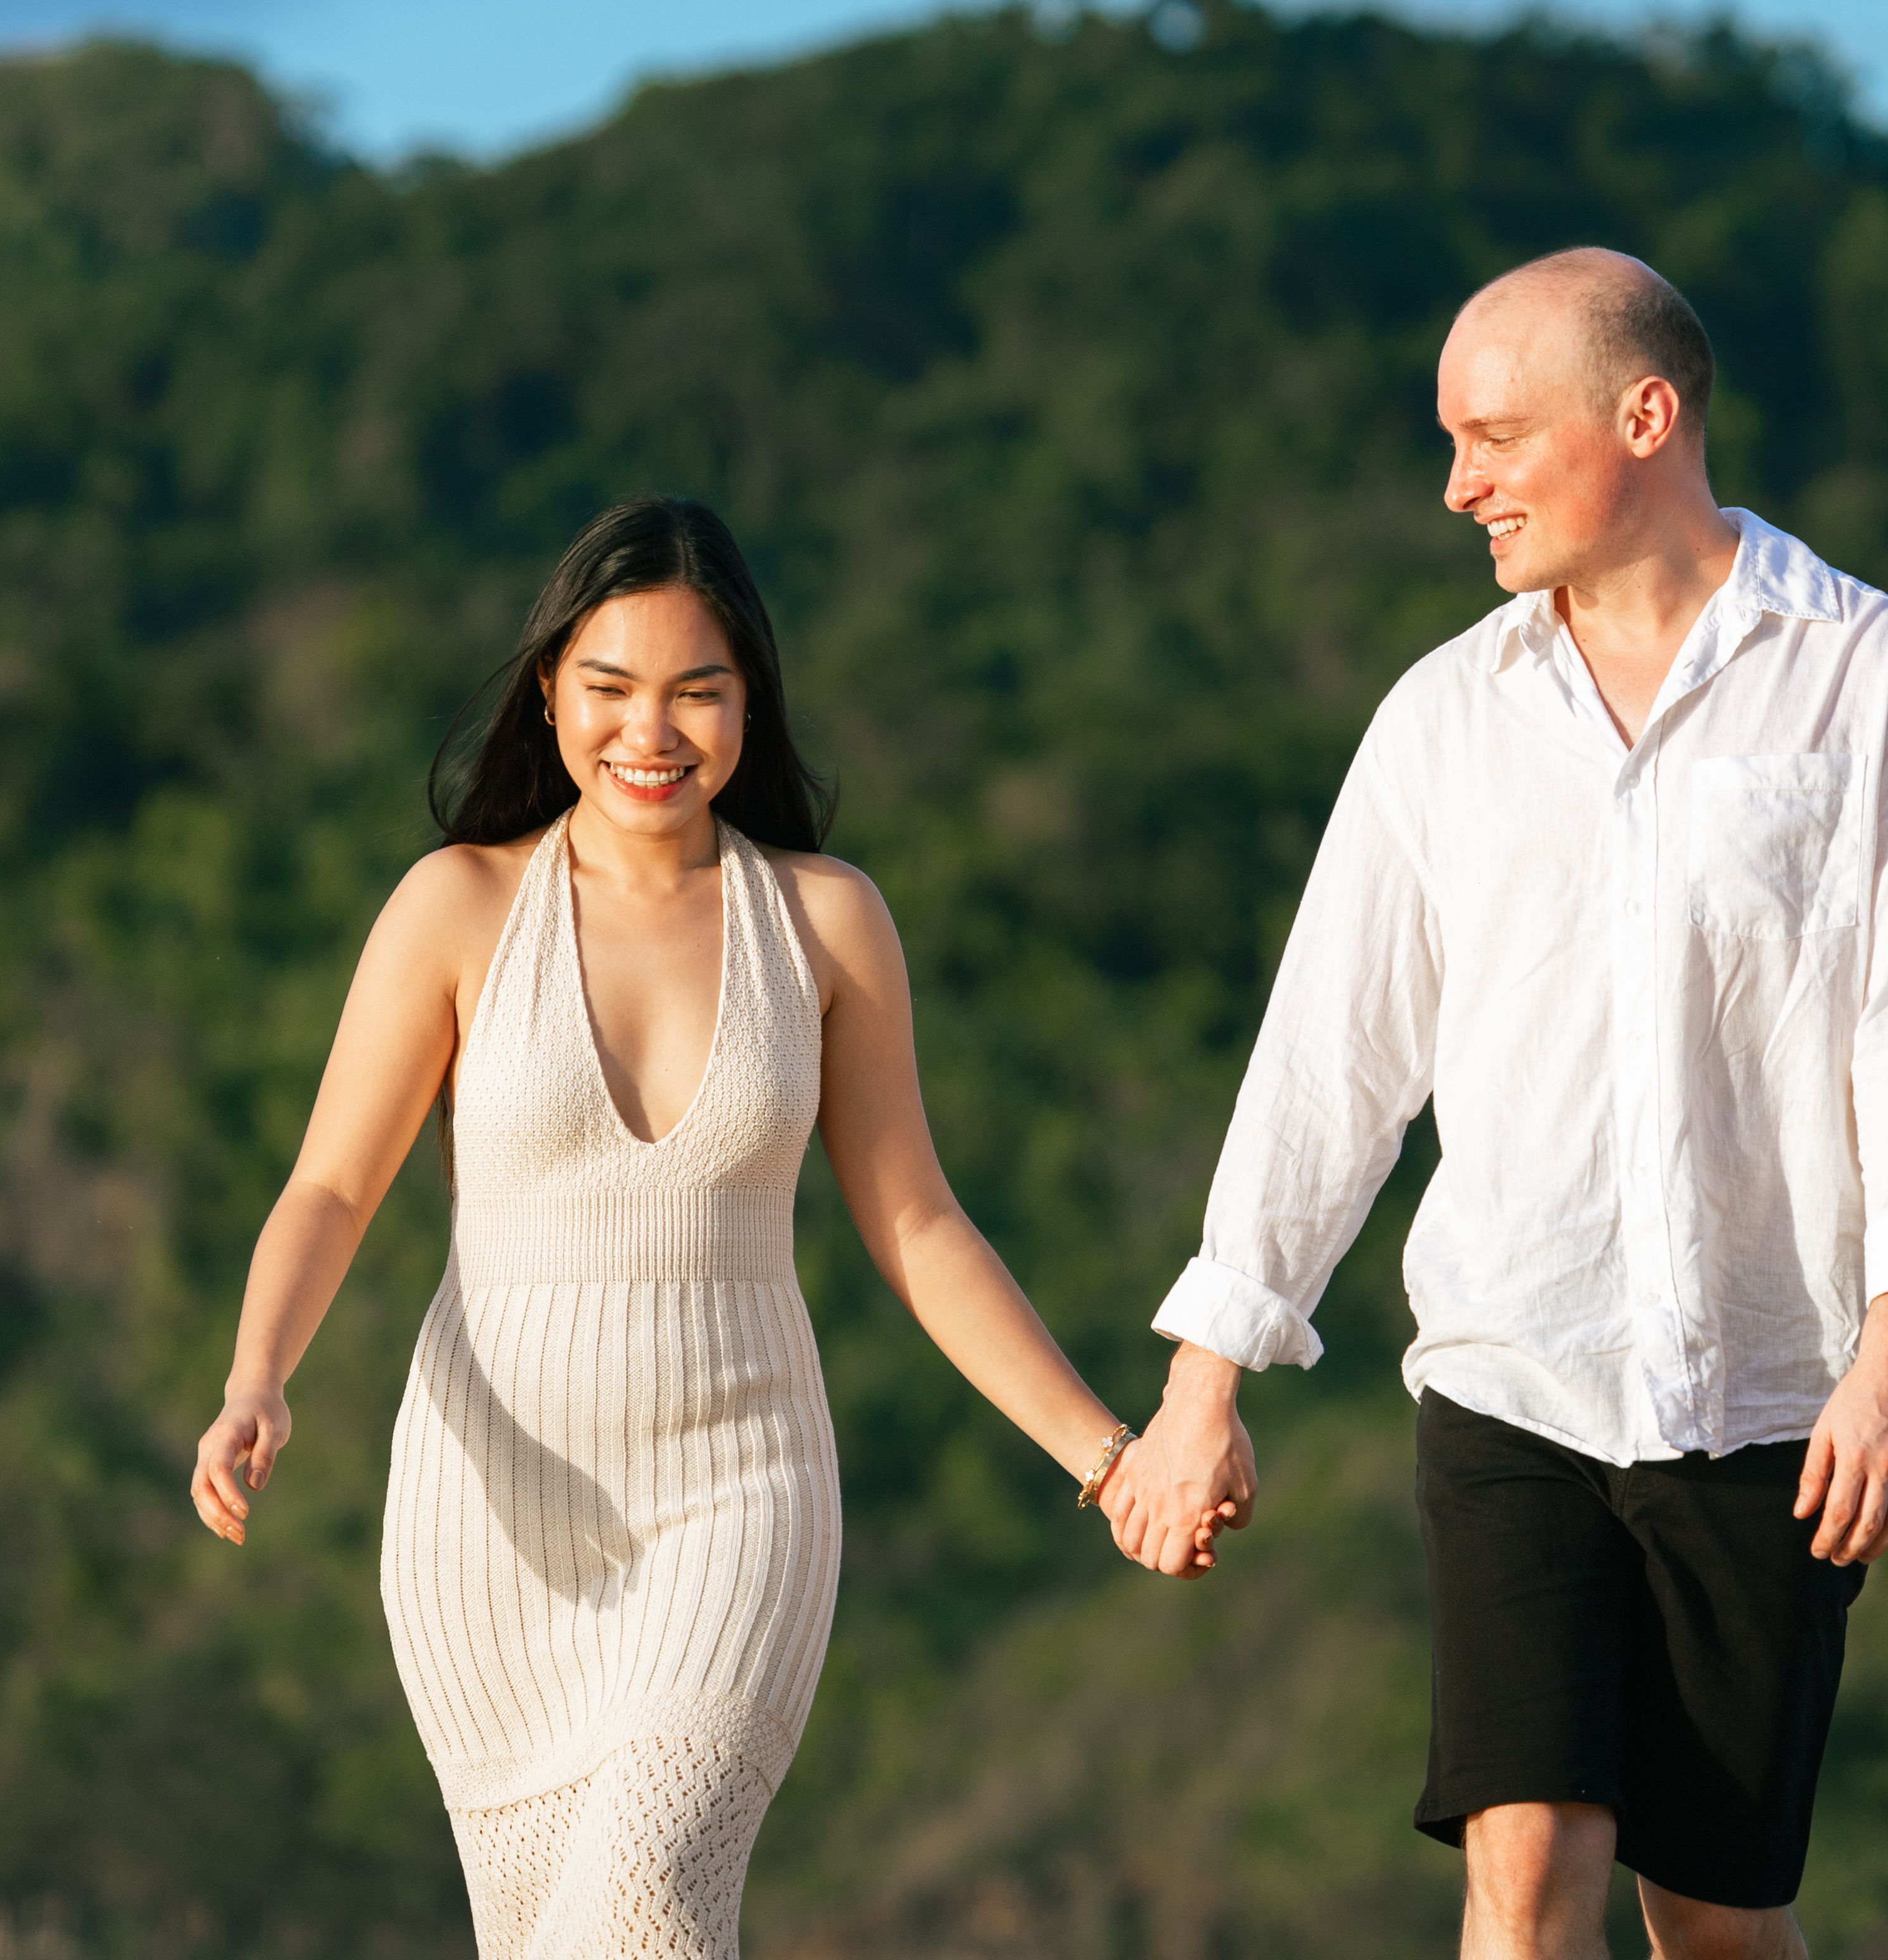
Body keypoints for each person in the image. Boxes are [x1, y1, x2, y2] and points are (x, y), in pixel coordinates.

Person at [1104, 250, 1888, 1960]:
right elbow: (1331, 1054)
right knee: (1523, 1875)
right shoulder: (1444, 719)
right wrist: (1203, 1381)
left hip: (1778, 1389)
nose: (1461, 485)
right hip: (1515, 1369)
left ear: (1645, 416)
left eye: (1497, 437)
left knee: (1715, 1916)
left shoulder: (1880, 678)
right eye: (1454, 444)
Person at [189, 496, 1190, 1960]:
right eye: (610, 688)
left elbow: (919, 1223)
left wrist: (1106, 1457)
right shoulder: (457, 907)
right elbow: (330, 1187)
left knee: (645, 1900)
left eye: (697, 692)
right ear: (550, 690)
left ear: (750, 702)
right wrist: (258, 1377)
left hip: (737, 1490)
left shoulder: (827, 922)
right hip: (492, 1529)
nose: (650, 733)